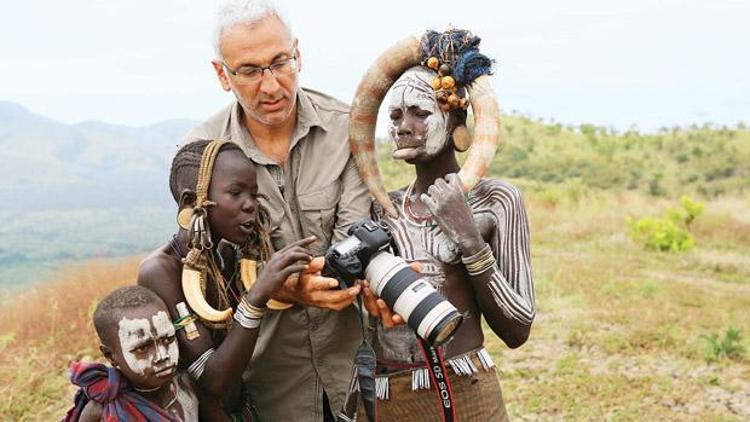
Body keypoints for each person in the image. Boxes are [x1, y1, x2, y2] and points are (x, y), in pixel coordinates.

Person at [180, 2, 372, 419]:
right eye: (249, 71)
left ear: (297, 54)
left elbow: (359, 235)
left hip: (357, 369)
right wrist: (281, 289)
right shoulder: (199, 158)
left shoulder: (349, 128)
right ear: (221, 75)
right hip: (265, 384)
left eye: (279, 63)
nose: (270, 87)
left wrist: (326, 278)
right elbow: (207, 267)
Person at [347, 29, 536, 420]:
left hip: (467, 395)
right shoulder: (382, 209)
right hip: (385, 399)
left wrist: (468, 238)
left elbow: (518, 329)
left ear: (454, 122)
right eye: (395, 115)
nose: (403, 125)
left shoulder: (496, 201)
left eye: (420, 112)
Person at [138, 139, 317, 420]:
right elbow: (212, 380)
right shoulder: (160, 272)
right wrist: (256, 296)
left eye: (254, 194)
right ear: (190, 202)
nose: (251, 206)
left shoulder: (226, 254)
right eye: (236, 193)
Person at [63, 285, 198, 421]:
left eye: (168, 339)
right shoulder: (101, 411)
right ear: (110, 356)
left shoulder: (190, 385)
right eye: (143, 348)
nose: (162, 356)